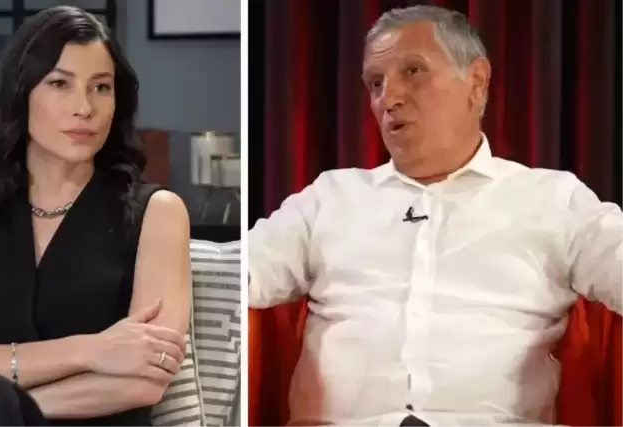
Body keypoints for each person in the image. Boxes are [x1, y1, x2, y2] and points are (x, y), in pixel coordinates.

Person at [249, 5, 623, 427]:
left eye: (413, 71)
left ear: (476, 82)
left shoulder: (553, 199)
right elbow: (242, 272)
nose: (389, 98)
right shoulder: (330, 198)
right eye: (376, 83)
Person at [0, 6, 191, 427]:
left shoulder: (157, 215)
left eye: (101, 87)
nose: (84, 107)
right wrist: (92, 350)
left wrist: (1, 394)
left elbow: (145, 379)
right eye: (60, 83)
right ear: (21, 95)